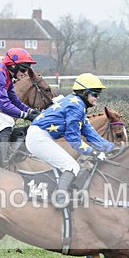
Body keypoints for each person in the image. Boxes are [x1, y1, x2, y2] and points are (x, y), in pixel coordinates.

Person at [26, 73, 115, 208]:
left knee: (68, 165)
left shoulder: (77, 104)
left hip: (40, 136)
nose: (98, 97)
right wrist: (94, 153)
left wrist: (111, 148)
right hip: (38, 138)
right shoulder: (76, 106)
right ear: (84, 92)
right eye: (95, 94)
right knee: (71, 166)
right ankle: (59, 199)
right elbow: (73, 139)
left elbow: (90, 133)